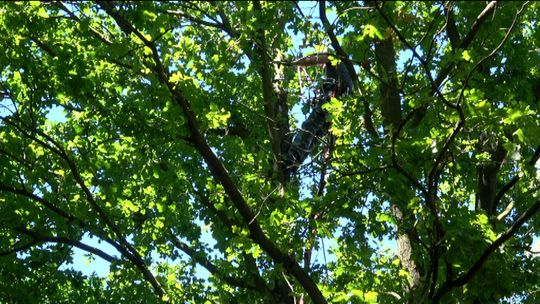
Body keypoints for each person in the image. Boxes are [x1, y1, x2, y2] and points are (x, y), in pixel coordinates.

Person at [283, 54, 353, 179]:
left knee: (309, 127)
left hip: (330, 101)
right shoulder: (348, 78)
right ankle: (292, 167)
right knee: (313, 138)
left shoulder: (334, 58)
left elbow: (314, 59)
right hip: (336, 114)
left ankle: (291, 158)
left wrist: (295, 63)